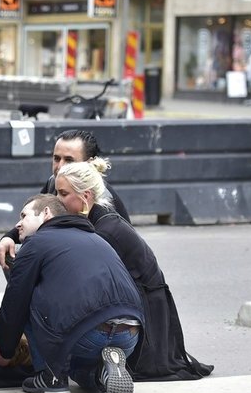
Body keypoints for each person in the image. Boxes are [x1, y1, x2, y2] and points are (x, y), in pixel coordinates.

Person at [54, 159, 214, 381]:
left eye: (63, 194)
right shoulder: (96, 220)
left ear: (86, 196)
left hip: (144, 308)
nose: (57, 200)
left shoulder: (104, 231)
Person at [0, 194, 143, 393]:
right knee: (79, 371)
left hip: (87, 335)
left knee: (26, 293)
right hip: (130, 333)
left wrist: (5, 349)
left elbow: (15, 303)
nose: (18, 224)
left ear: (46, 213)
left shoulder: (36, 243)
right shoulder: (97, 239)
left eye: (24, 215)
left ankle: (51, 377)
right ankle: (102, 374)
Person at [0, 129, 130, 271]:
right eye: (56, 158)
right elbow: (34, 217)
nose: (60, 167)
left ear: (89, 164)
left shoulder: (103, 204)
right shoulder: (54, 183)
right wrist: (9, 238)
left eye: (69, 160)